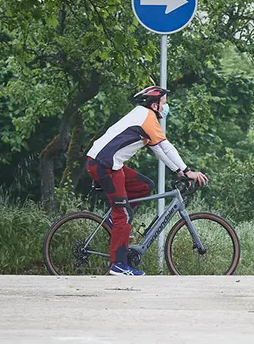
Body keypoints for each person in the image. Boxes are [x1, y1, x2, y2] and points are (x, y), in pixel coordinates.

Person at [85, 85, 208, 276]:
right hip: (105, 165)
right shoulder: (146, 118)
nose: (166, 107)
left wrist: (178, 171)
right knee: (123, 215)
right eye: (164, 103)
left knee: (144, 186)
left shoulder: (144, 117)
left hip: (109, 164)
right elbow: (166, 148)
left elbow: (159, 151)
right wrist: (187, 171)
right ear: (155, 105)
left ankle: (114, 223)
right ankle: (118, 265)